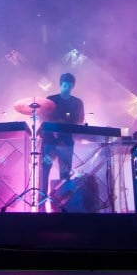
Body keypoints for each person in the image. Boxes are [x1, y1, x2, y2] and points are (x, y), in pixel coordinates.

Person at [39, 72, 85, 211]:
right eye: (65, 85)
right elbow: (42, 117)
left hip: (65, 143)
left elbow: (79, 121)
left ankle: (63, 205)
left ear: (73, 86)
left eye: (69, 86)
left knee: (65, 173)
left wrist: (69, 124)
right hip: (50, 142)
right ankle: (41, 202)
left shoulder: (77, 103)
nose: (67, 88)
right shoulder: (50, 100)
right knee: (45, 170)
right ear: (60, 85)